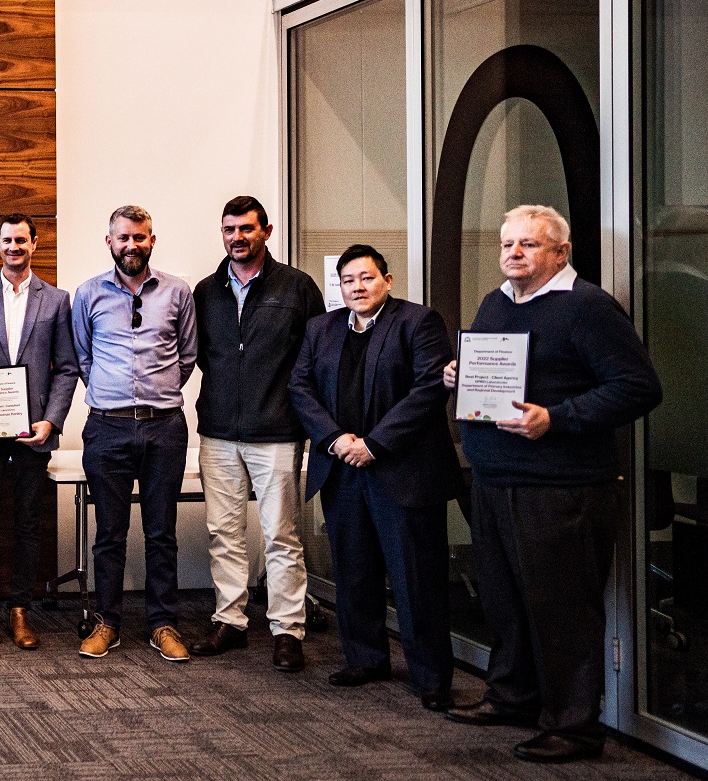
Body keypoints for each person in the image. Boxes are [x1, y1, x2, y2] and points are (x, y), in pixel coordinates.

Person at [443, 205, 662, 762]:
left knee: (561, 609)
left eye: (529, 245)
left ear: (560, 252)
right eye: (507, 244)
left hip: (560, 487)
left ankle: (575, 726)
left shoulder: (587, 307)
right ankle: (513, 695)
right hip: (494, 477)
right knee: (505, 600)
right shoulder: (496, 303)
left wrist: (556, 418)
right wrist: (458, 374)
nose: (514, 254)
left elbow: (638, 387)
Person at [289, 244, 460, 710]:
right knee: (353, 570)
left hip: (402, 471)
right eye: (348, 281)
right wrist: (335, 439)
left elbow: (429, 390)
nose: (357, 287)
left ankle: (430, 676)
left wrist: (374, 444)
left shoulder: (417, 322)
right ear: (338, 287)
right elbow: (299, 388)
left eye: (366, 278)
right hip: (341, 467)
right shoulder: (319, 329)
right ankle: (365, 658)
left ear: (387, 280)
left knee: (415, 577)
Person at [189, 196, 322, 671]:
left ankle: (288, 629)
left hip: (277, 431)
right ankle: (230, 621)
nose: (237, 237)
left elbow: (314, 357)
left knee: (280, 536)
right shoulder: (206, 291)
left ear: (266, 231)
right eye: (229, 229)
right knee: (223, 532)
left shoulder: (297, 287)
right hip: (220, 431)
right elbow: (201, 356)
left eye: (246, 229)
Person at [71, 205, 197, 662]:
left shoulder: (178, 291)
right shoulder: (87, 294)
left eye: (140, 237)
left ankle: (163, 624)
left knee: (162, 531)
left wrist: (154, 396)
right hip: (107, 427)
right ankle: (107, 622)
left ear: (152, 240)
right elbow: (83, 359)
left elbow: (186, 357)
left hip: (164, 427)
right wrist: (116, 397)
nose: (132, 245)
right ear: (109, 242)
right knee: (110, 533)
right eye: (123, 238)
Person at [0, 213, 78, 651]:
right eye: (7, 240)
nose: (14, 247)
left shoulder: (57, 300)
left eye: (22, 240)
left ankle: (21, 611)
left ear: (35, 244)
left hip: (34, 433)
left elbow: (66, 368)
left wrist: (52, 419)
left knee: (28, 524)